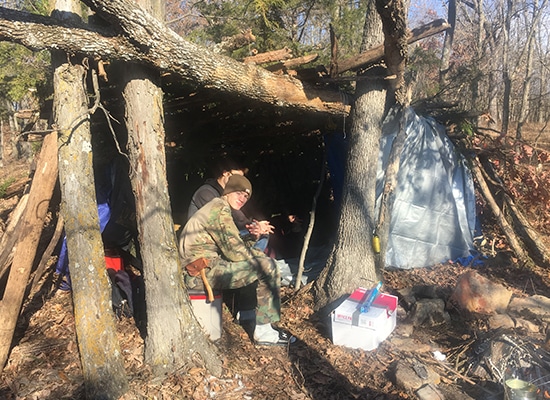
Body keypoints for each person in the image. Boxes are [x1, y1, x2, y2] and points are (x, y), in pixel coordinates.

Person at [179, 175, 295, 346]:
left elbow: (233, 245)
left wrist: (253, 237)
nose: (242, 199)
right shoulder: (218, 209)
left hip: (205, 266)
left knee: (257, 258)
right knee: (266, 266)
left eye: (246, 196)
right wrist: (258, 257)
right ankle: (264, 331)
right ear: (229, 191)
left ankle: (247, 314)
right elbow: (234, 253)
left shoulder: (219, 207)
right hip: (198, 272)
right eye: (239, 193)